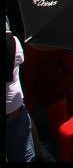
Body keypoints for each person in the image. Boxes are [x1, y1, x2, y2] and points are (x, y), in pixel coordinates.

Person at [6, 31, 36, 163]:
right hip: (13, 112)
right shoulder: (12, 41)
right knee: (25, 156)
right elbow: (21, 61)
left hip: (13, 110)